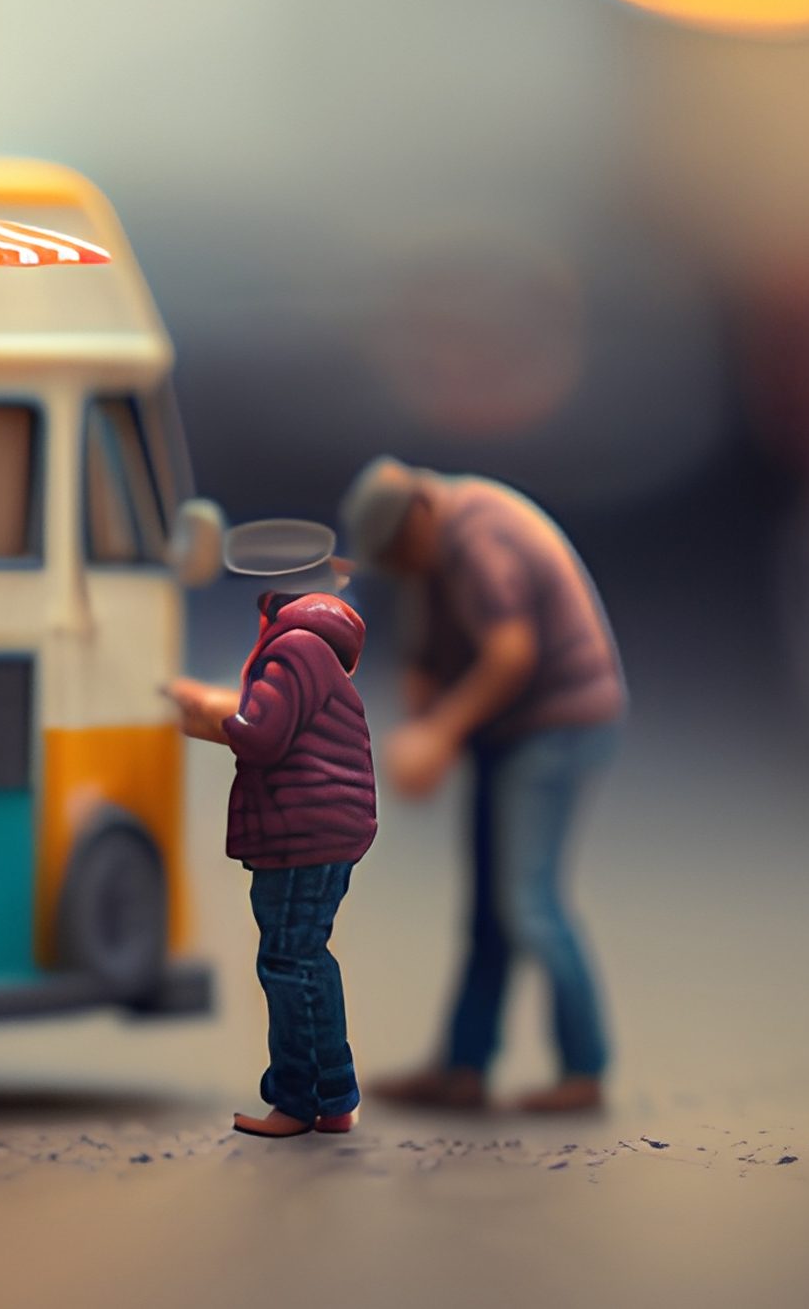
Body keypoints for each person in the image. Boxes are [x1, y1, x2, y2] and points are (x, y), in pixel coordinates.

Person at [340, 457, 625, 1114]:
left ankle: (584, 1066)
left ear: (416, 513)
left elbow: (510, 653)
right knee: (486, 910)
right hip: (507, 730)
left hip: (557, 724)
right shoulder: (432, 550)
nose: (401, 566)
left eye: (399, 551)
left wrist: (438, 732)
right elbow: (421, 652)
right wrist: (417, 726)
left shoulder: (475, 536)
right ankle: (462, 1066)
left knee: (529, 902)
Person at [165, 520, 377, 1139]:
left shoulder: (293, 648)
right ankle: (334, 1097)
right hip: (325, 828)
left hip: (302, 833)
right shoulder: (318, 649)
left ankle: (294, 1103)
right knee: (307, 957)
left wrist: (200, 711)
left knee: (288, 961)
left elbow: (262, 735)